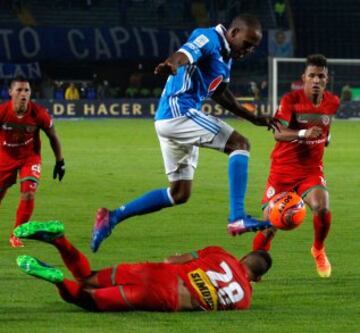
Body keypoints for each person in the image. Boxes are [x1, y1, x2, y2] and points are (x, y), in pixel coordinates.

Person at [91, 14, 277, 252]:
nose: (249, 50)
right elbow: (185, 54)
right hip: (179, 112)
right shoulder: (208, 37)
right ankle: (237, 216)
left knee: (179, 193)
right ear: (234, 33)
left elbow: (220, 93)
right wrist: (172, 63)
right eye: (248, 44)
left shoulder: (226, 56)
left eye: (254, 47)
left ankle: (111, 218)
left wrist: (254, 118)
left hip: (171, 121)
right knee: (240, 145)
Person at [15, 220, 272, 312]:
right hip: (166, 296)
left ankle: (60, 239)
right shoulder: (244, 300)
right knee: (86, 299)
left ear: (243, 258)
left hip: (158, 272)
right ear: (257, 279)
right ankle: (57, 278)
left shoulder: (220, 253)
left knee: (88, 277)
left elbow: (171, 260)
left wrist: (178, 258)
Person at [252, 54, 340, 278]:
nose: (317, 80)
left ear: (327, 79)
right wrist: (303, 134)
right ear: (304, 78)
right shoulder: (291, 100)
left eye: (321, 76)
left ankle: (318, 250)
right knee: (269, 226)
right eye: (312, 75)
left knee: (322, 206)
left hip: (310, 171)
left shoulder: (333, 102)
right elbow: (278, 133)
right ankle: (253, 268)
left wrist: (324, 139)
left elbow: (324, 127)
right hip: (282, 172)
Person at [0, 76, 65, 247]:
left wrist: (60, 161)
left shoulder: (39, 113)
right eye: (19, 90)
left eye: (26, 90)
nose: (23, 94)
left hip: (30, 157)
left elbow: (53, 136)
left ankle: (17, 234)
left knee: (28, 192)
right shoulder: (2, 112)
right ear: (10, 92)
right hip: (5, 156)